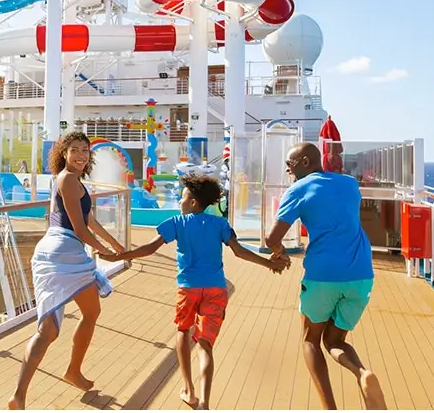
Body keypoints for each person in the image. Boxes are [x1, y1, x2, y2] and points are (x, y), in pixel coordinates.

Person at [101, 174, 287, 410]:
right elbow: (239, 252)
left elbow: (149, 248)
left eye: (183, 197)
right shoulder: (219, 224)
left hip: (188, 289)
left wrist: (118, 257)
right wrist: (269, 264)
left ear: (193, 203)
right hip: (216, 289)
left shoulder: (177, 222)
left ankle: (189, 390)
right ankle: (205, 403)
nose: (179, 200)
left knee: (182, 331)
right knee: (205, 345)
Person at [8, 131, 125, 410]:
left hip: (54, 251)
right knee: (90, 313)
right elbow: (81, 230)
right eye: (75, 150)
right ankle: (72, 370)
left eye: (85, 150)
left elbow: (89, 221)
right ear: (63, 153)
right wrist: (107, 252)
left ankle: (19, 395)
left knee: (49, 330)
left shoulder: (71, 181)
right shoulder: (68, 180)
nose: (81, 155)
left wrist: (117, 244)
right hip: (64, 252)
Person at [265, 142, 386, 410]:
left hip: (322, 276)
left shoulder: (298, 189)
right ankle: (362, 373)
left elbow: (271, 237)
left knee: (310, 340)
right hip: (361, 276)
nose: (287, 168)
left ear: (306, 162)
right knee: (335, 341)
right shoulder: (349, 184)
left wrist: (279, 253)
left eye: (291, 163)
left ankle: (329, 408)